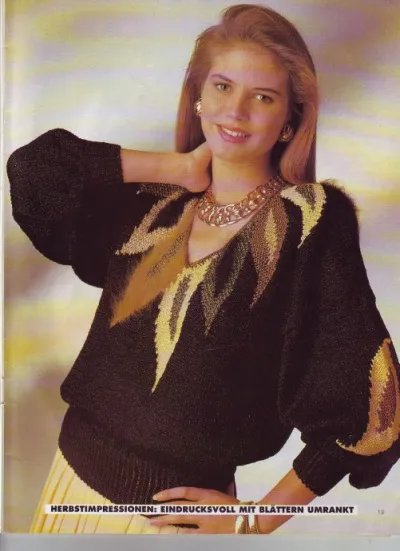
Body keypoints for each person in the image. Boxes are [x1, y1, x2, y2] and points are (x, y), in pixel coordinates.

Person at [6, 3, 400, 536]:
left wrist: (253, 521)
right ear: (198, 95)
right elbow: (33, 172)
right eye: (222, 86)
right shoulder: (155, 201)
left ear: (290, 119)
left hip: (174, 526)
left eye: (263, 97)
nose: (235, 111)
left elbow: (372, 406)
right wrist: (177, 167)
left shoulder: (309, 221)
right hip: (68, 489)